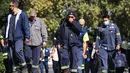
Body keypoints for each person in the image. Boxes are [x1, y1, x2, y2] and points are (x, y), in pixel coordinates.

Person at [3, 1, 30, 73]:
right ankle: (15, 68)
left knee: (18, 51)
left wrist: (27, 36)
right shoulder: (9, 15)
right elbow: (7, 27)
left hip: (18, 38)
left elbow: (26, 26)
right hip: (10, 38)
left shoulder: (22, 14)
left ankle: (24, 66)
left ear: (15, 6)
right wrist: (6, 37)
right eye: (10, 6)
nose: (10, 7)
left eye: (11, 6)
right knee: (12, 55)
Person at [24, 9, 48, 73]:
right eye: (31, 16)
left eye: (33, 16)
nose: (32, 17)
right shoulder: (26, 21)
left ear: (36, 15)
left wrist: (45, 40)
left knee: (36, 60)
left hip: (37, 44)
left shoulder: (40, 21)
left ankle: (34, 71)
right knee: (27, 56)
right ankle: (29, 69)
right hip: (28, 43)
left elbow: (44, 31)